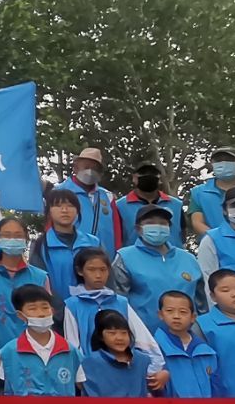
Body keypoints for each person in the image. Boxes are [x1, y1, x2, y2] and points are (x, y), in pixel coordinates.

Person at [61, 248, 164, 391]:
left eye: (103, 270)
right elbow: (73, 345)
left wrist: (155, 369)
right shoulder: (73, 305)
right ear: (80, 271)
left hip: (126, 371)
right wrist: (80, 376)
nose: (98, 275)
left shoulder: (120, 302)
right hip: (93, 376)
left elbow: (143, 338)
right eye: (92, 270)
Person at [111, 204, 207, 334]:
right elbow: (117, 301)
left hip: (189, 338)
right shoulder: (125, 257)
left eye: (162, 223)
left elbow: (202, 303)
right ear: (138, 229)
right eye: (150, 223)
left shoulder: (188, 259)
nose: (157, 227)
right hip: (144, 336)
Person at [0, 218, 49, 373]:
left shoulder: (40, 277)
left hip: (35, 356)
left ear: (26, 238)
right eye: (7, 235)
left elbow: (48, 317)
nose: (12, 239)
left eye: (17, 235)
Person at [29, 189, 99, 318]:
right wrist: (61, 311)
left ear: (77, 210)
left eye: (70, 205)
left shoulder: (93, 242)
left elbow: (106, 277)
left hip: (93, 311)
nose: (65, 210)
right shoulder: (40, 246)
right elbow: (39, 282)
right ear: (49, 211)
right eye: (58, 205)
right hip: (56, 315)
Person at [154, 291, 222, 398]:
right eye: (169, 311)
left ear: (193, 317)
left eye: (183, 312)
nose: (176, 316)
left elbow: (216, 388)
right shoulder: (155, 349)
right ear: (160, 315)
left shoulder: (207, 352)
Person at [55, 147, 121, 257]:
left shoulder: (107, 196)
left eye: (95, 169)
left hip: (104, 261)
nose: (90, 171)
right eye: (86, 167)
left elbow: (117, 232)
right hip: (69, 258)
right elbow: (50, 226)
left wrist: (117, 256)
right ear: (75, 168)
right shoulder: (59, 192)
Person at [115, 162, 184, 248]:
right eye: (143, 173)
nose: (148, 176)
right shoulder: (119, 206)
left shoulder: (176, 205)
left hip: (172, 254)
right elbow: (116, 237)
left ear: (159, 179)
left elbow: (183, 234)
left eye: (153, 173)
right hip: (134, 255)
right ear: (134, 178)